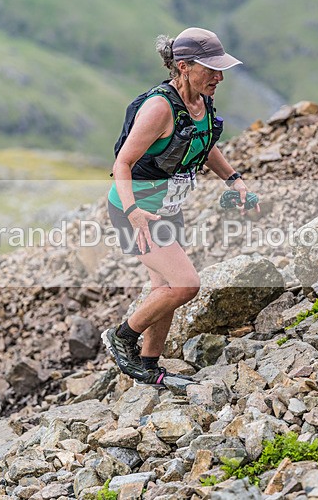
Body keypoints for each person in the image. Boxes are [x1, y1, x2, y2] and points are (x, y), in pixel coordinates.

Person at [101, 27, 259, 388]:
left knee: (164, 289)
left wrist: (234, 179)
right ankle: (122, 337)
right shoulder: (159, 109)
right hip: (137, 211)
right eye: (211, 69)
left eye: (221, 69)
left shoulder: (201, 101)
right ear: (184, 66)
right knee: (186, 284)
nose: (219, 77)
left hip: (168, 207)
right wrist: (133, 212)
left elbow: (204, 142)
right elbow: (122, 163)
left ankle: (148, 365)